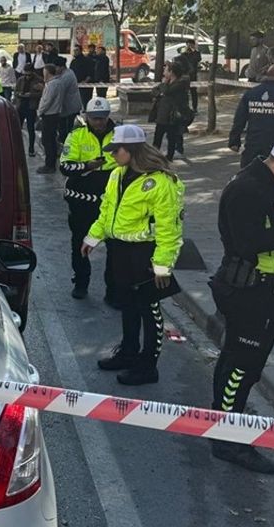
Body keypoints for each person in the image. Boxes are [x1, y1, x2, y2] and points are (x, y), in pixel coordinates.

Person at [208, 136, 274, 474]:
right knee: (242, 365)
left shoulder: (265, 186)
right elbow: (250, 242)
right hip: (249, 292)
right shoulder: (248, 190)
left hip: (261, 291)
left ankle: (226, 412)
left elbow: (273, 223)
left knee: (238, 361)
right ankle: (228, 439)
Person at [82, 125, 185, 385]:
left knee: (149, 311)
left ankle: (148, 365)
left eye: (116, 150)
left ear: (133, 150)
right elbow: (107, 210)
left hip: (146, 255)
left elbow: (169, 227)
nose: (112, 154)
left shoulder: (162, 182)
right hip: (121, 251)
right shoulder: (117, 174)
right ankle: (128, 352)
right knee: (127, 304)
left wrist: (162, 265)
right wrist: (93, 237)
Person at [60, 98, 117, 300]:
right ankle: (81, 282)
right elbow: (65, 166)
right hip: (81, 202)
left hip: (112, 203)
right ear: (86, 117)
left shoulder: (119, 136)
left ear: (108, 116)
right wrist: (87, 166)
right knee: (81, 243)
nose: (99, 123)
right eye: (94, 119)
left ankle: (113, 290)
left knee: (116, 248)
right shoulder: (76, 136)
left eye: (102, 118)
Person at [37, 62, 83, 173]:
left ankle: (50, 165)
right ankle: (51, 163)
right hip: (54, 113)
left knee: (48, 141)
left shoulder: (53, 84)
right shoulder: (57, 82)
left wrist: (40, 111)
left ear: (47, 73)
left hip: (49, 115)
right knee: (50, 140)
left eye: (44, 72)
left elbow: (47, 100)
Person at [151, 62, 192, 161]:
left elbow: (167, 91)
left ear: (172, 72)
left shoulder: (179, 84)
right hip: (162, 114)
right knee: (157, 137)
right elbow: (154, 90)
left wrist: (164, 87)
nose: (164, 72)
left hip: (171, 115)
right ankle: (153, 155)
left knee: (171, 137)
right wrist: (160, 93)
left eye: (166, 70)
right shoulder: (167, 83)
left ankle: (170, 156)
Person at [15, 63, 45, 157]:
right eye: (25, 74)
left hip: (31, 107)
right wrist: (19, 94)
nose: (27, 77)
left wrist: (31, 95)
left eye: (29, 75)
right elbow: (15, 91)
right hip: (21, 106)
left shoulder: (39, 80)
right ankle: (17, 148)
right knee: (17, 129)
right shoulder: (20, 80)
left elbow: (43, 93)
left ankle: (31, 149)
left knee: (30, 128)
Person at [174, 41, 203, 113]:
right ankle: (185, 107)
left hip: (193, 76)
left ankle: (195, 108)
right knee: (184, 92)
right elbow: (179, 59)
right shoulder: (184, 54)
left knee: (193, 92)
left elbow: (198, 59)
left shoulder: (196, 53)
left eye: (191, 45)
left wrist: (194, 51)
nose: (189, 47)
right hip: (185, 76)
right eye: (188, 45)